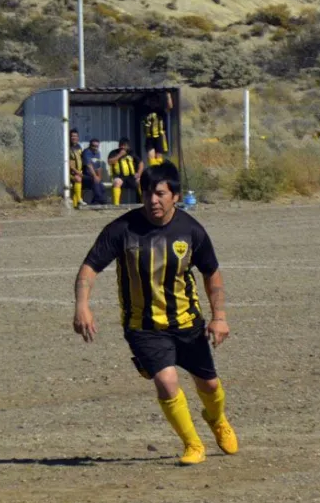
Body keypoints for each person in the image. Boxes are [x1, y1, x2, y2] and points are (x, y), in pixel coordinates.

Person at [73, 161, 238, 466]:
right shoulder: (122, 229)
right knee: (166, 381)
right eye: (148, 193)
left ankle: (217, 420)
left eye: (160, 193)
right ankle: (192, 444)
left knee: (210, 385)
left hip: (187, 323)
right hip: (143, 326)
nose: (153, 200)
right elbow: (90, 267)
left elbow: (211, 273)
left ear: (175, 195)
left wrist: (220, 317)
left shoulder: (191, 230)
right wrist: (82, 305)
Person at [107, 137, 143, 206]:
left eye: (124, 145)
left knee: (140, 181)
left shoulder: (132, 153)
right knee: (117, 182)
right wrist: (120, 155)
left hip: (131, 177)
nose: (122, 147)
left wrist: (139, 173)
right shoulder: (114, 152)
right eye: (121, 145)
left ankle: (144, 202)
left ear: (128, 146)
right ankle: (116, 205)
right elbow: (110, 162)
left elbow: (141, 163)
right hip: (119, 177)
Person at [143, 91, 173, 166]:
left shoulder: (161, 110)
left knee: (159, 158)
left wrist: (168, 96)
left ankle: (159, 173)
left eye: (155, 101)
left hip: (159, 136)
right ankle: (153, 172)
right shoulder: (146, 109)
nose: (153, 103)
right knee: (151, 158)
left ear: (157, 102)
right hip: (150, 137)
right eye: (151, 101)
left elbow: (170, 107)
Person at [81, 138, 108, 206]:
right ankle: (101, 200)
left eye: (97, 146)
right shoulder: (86, 152)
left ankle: (96, 202)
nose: (95, 148)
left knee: (102, 187)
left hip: (93, 176)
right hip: (85, 176)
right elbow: (89, 165)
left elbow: (98, 167)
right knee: (95, 182)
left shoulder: (97, 153)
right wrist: (95, 176)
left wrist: (99, 177)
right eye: (93, 146)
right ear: (90, 145)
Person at [68, 128, 84, 209]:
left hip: (79, 172)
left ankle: (75, 205)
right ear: (69, 137)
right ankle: (79, 199)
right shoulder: (67, 147)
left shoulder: (79, 147)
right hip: (70, 173)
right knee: (78, 179)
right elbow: (68, 164)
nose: (74, 138)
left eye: (76, 136)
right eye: (72, 136)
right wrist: (77, 172)